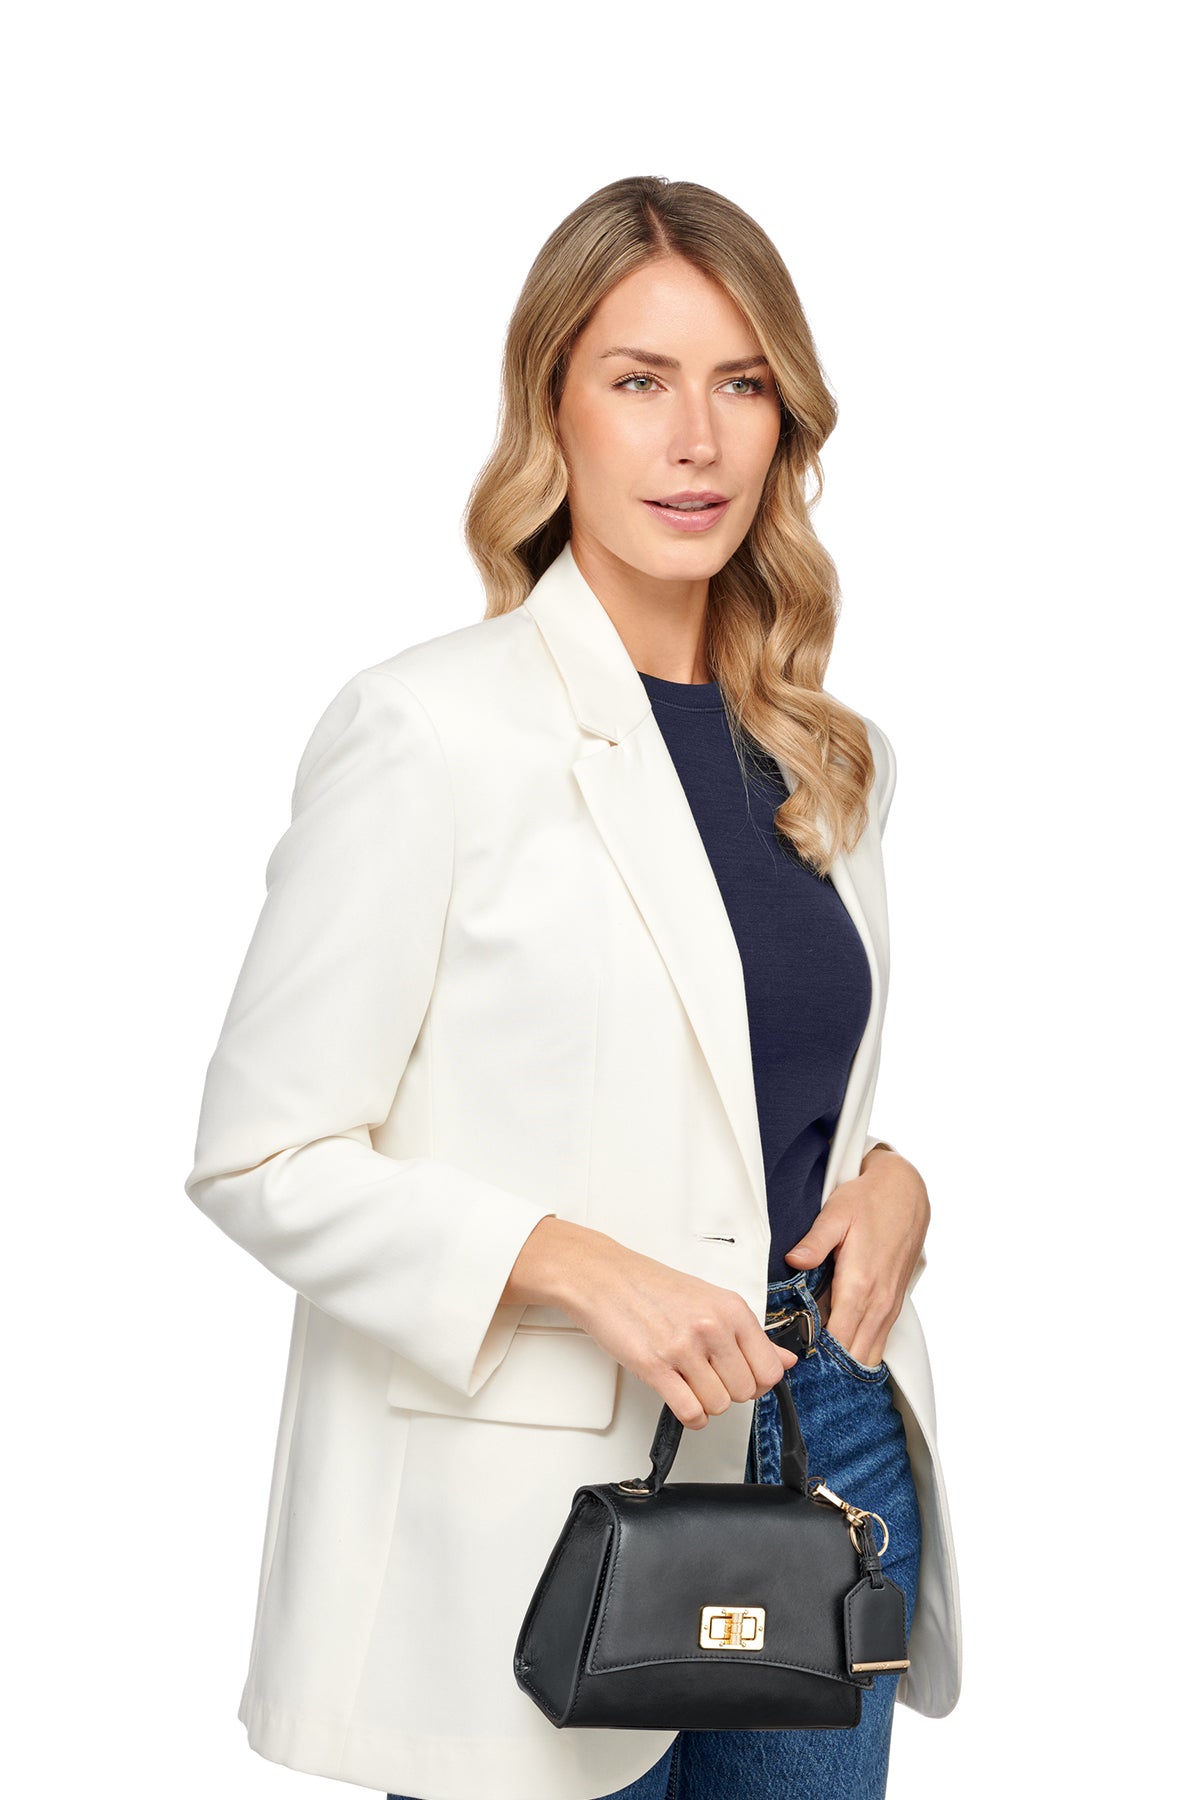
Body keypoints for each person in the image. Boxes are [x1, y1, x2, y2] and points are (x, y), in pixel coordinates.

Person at [184, 173, 962, 1800]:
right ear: (554, 408)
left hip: (822, 1449)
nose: (697, 440)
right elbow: (263, 1155)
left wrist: (892, 1179)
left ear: (786, 423)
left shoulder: (828, 759)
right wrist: (574, 1267)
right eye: (639, 380)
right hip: (538, 1507)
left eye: (740, 384)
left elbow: (751, 1093)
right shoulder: (430, 732)